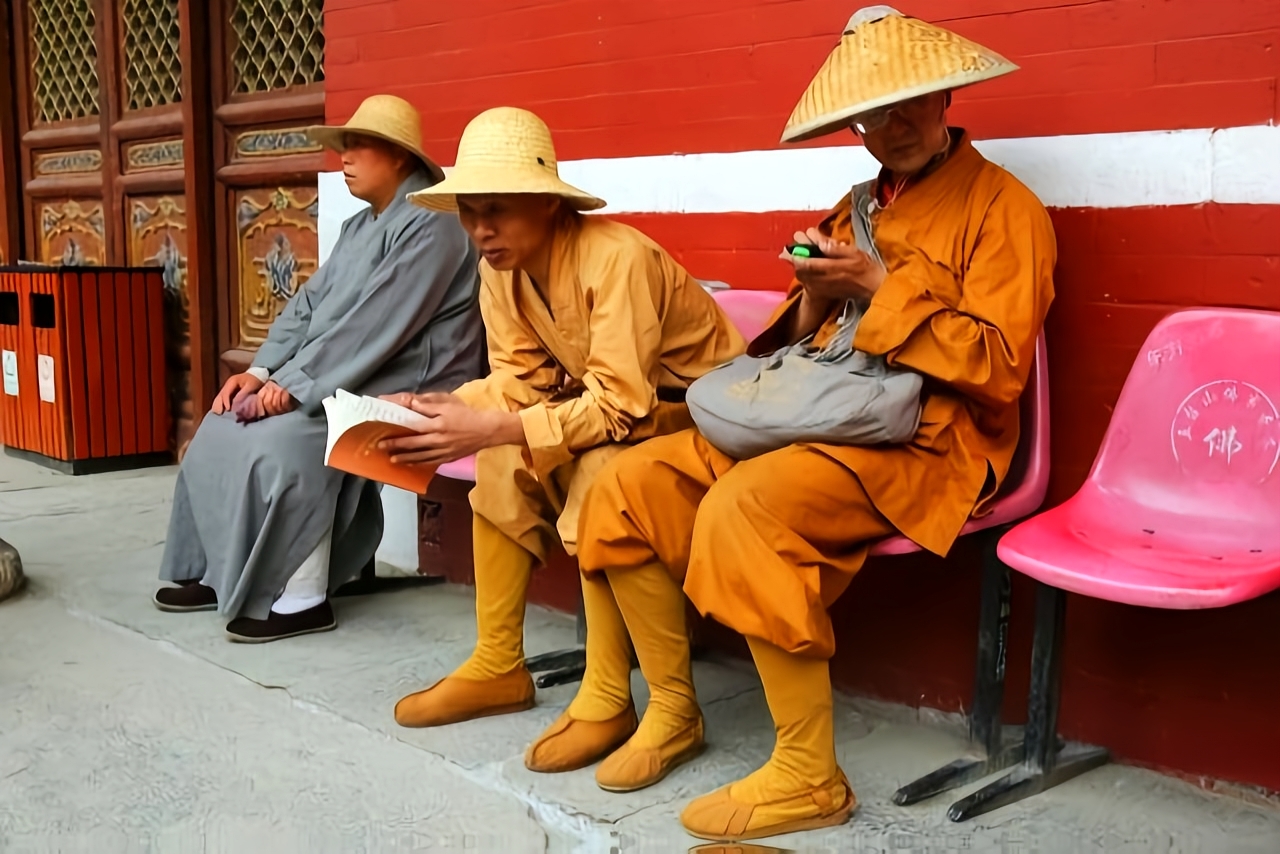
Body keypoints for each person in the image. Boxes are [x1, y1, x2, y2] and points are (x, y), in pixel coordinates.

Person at [568, 6, 1056, 841]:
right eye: (870, 116)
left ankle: (808, 773)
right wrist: (817, 293)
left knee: (744, 508)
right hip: (822, 413)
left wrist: (877, 289)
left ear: (945, 96)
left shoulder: (1006, 210)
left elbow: (999, 369)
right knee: (626, 483)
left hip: (931, 439)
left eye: (907, 104)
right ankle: (671, 710)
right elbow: (801, 341)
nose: (891, 128)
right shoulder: (855, 205)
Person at [383, 107, 746, 738]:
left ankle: (607, 691)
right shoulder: (501, 269)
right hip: (624, 414)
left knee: (600, 470)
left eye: (497, 209)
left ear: (548, 203)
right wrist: (439, 409)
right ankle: (498, 664)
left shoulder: (616, 258)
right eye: (469, 211)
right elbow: (521, 381)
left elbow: (624, 405)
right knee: (502, 457)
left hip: (706, 424)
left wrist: (497, 426)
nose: (481, 229)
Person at [154, 95, 486, 643]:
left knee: (288, 439)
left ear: (400, 157)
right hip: (347, 372)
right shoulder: (359, 227)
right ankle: (220, 572)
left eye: (358, 146)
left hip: (415, 384)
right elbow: (308, 305)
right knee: (223, 421)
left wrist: (298, 385)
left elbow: (378, 323)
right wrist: (263, 372)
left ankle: (303, 597)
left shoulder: (435, 223)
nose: (344, 158)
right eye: (342, 146)